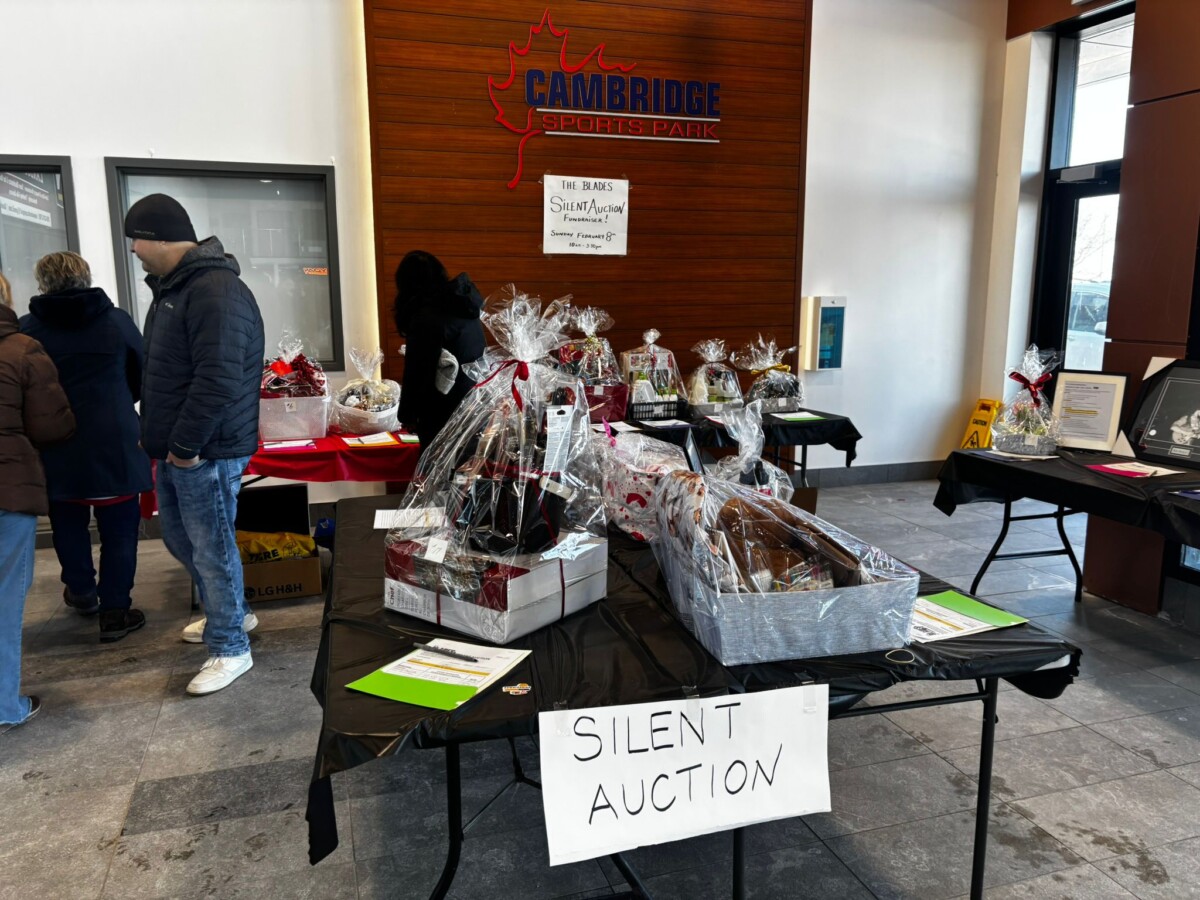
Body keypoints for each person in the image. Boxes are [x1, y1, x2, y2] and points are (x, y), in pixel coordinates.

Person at [124, 194, 265, 696]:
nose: (134, 250)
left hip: (205, 450)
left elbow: (218, 379)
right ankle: (234, 614)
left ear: (160, 238)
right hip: (181, 450)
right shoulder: (177, 288)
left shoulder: (213, 290)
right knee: (184, 543)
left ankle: (230, 646)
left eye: (137, 240)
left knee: (212, 550)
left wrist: (185, 446)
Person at [20, 252, 153, 642]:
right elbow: (142, 375)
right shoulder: (116, 321)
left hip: (54, 442)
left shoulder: (28, 330)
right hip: (113, 440)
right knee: (120, 529)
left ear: (43, 283)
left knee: (66, 521)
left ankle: (81, 591)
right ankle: (115, 612)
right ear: (86, 277)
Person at [0, 271, 76, 732]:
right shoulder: (21, 350)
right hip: (8, 487)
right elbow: (52, 425)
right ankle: (4, 704)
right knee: (5, 598)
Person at [393, 251, 485, 452]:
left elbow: (418, 371)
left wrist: (407, 415)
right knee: (466, 467)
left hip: (442, 414)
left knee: (436, 469)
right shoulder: (464, 308)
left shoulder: (427, 317)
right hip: (473, 406)